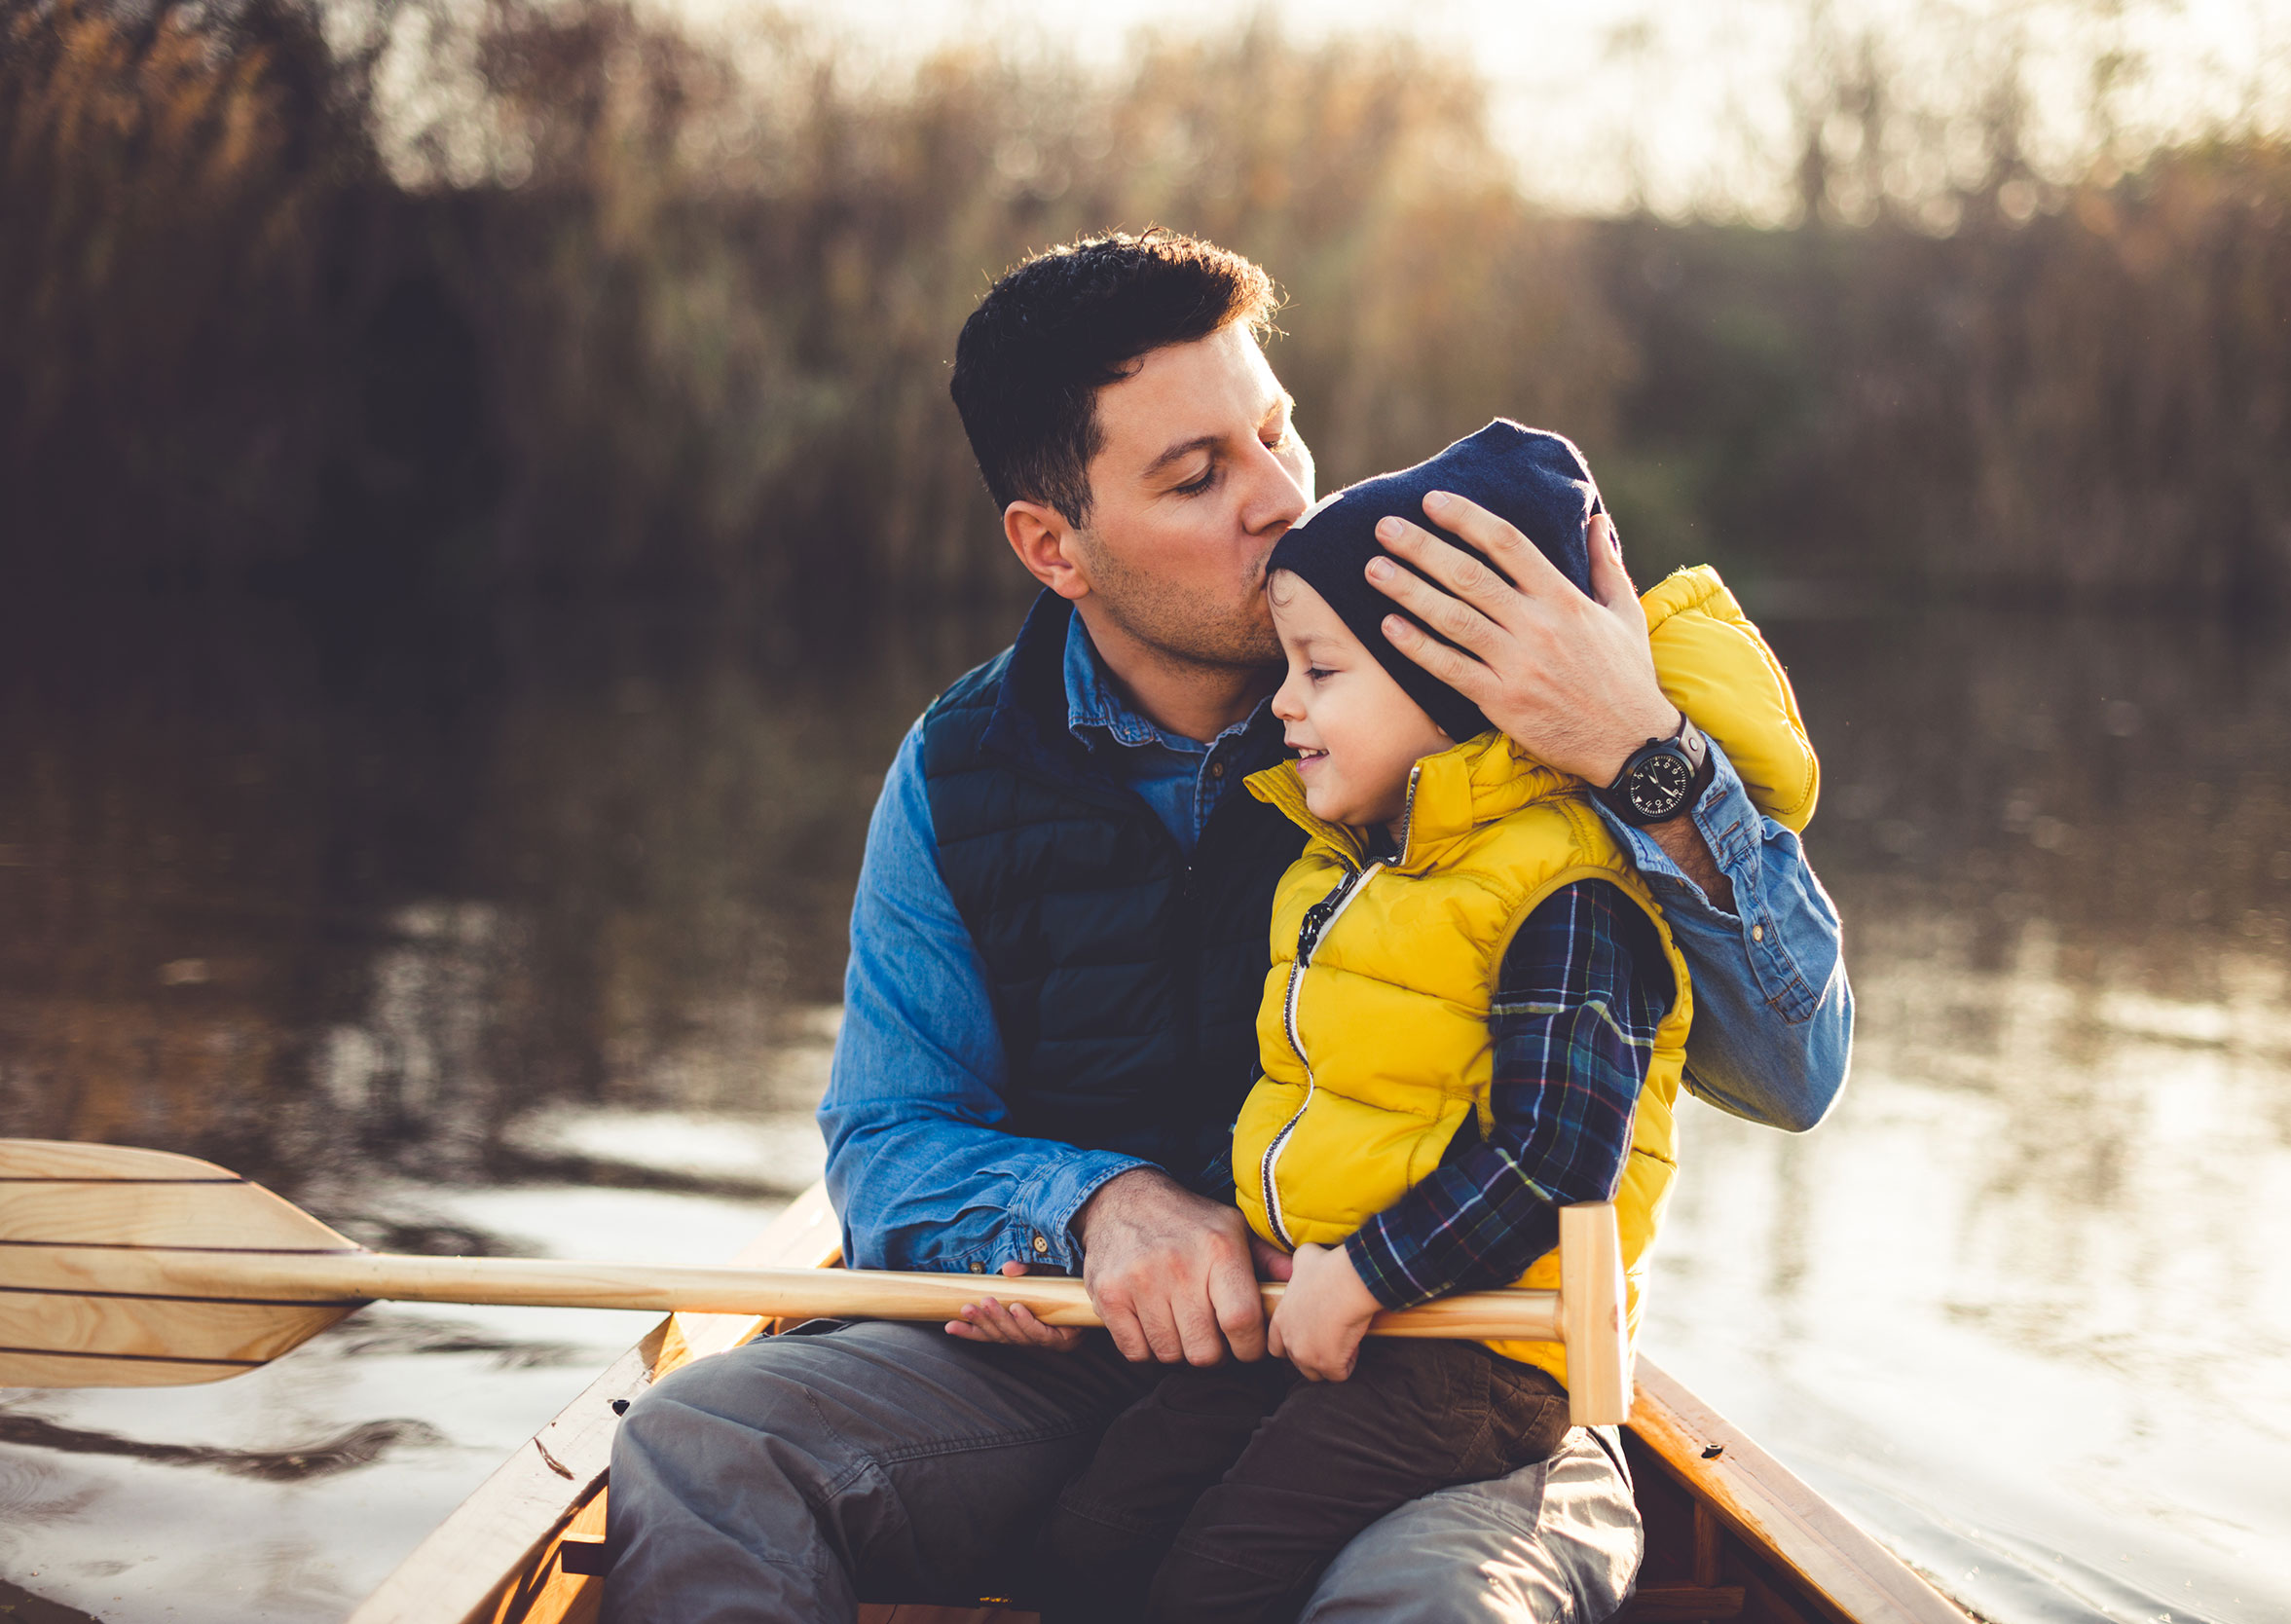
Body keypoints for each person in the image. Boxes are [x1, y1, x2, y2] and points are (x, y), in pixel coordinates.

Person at [602, 230, 1852, 1624]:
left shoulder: (1489, 698)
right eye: (1196, 476)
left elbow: (1790, 1075)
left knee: (1436, 1609)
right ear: (1051, 545)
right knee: (701, 1445)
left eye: (1276, 429)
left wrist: (1642, 751)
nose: (1278, 497)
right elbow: (890, 1149)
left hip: (1452, 1372)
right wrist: (1086, 1211)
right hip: (1084, 1381)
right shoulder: (956, 774)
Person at [1034, 420, 1819, 1624]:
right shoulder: (1354, 863)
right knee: (1091, 1543)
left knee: (1211, 1581)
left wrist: (1363, 1272)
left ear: (1454, 689)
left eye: (1321, 673)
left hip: (1473, 1356)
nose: (1282, 707)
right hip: (1328, 1312)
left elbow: (1557, 1160)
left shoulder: (1566, 890)